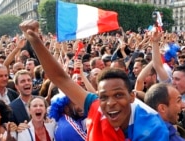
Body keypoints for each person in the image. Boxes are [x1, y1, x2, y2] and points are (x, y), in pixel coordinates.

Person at [19, 19, 168, 141]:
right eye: (103, 97)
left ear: (132, 96)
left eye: (118, 95)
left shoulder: (153, 130)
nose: (110, 103)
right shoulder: (96, 106)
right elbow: (60, 79)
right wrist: (34, 40)